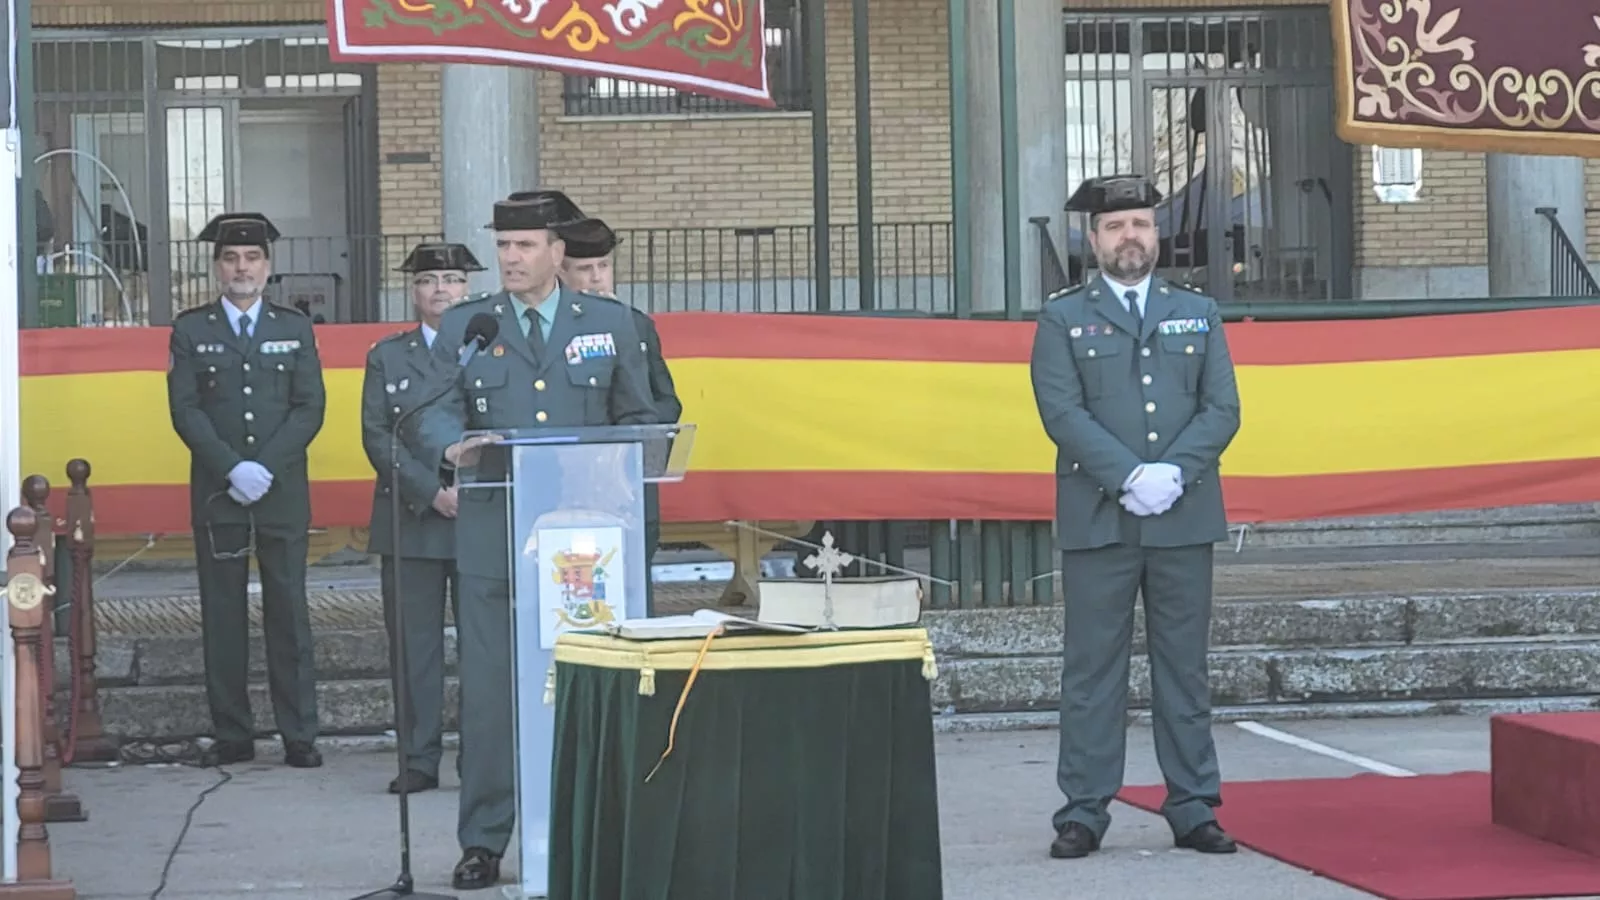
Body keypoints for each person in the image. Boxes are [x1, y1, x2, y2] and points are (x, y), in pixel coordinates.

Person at [418, 190, 658, 890]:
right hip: (498, 542)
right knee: (491, 698)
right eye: (504, 246)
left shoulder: (609, 323)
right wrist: (450, 447)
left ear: (559, 252)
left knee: (592, 689)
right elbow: (435, 407)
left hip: (585, 550)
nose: (511, 258)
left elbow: (639, 418)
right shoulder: (471, 323)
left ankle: (603, 828)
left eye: (525, 246)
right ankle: (485, 841)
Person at [1028, 174, 1243, 859]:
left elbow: (1223, 409)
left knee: (1185, 668)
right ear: (1093, 240)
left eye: (1142, 225)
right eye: (1117, 227)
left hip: (1183, 514)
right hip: (1100, 517)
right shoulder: (1063, 318)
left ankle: (1192, 805)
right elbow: (1061, 412)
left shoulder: (1198, 311)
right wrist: (1128, 477)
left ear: (1158, 235)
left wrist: (1172, 474)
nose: (1131, 237)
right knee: (1093, 671)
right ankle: (1084, 811)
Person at [165, 212, 327, 769]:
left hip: (281, 492)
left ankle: (299, 734)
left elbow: (311, 406)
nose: (242, 268)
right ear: (216, 268)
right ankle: (233, 733)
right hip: (219, 492)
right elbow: (185, 409)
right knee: (222, 613)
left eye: (252, 259)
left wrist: (266, 466)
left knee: (289, 613)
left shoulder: (294, 326)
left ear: (268, 266)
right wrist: (233, 468)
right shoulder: (191, 329)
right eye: (231, 259)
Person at [360, 241, 483, 794]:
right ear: (413, 292)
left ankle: (482, 758)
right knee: (415, 646)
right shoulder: (388, 355)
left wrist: (467, 489)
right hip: (411, 516)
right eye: (430, 280)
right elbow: (376, 434)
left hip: (480, 514)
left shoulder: (491, 349)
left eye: (453, 279)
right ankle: (418, 756)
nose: (441, 289)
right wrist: (431, 490)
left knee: (484, 646)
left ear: (467, 290)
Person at [556, 215, 683, 614]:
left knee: (632, 594)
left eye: (604, 267)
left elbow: (666, 400)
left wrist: (639, 439)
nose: (597, 279)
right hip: (568, 485)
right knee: (575, 603)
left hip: (626, 483)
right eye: (585, 269)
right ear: (561, 271)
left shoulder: (636, 324)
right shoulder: (550, 328)